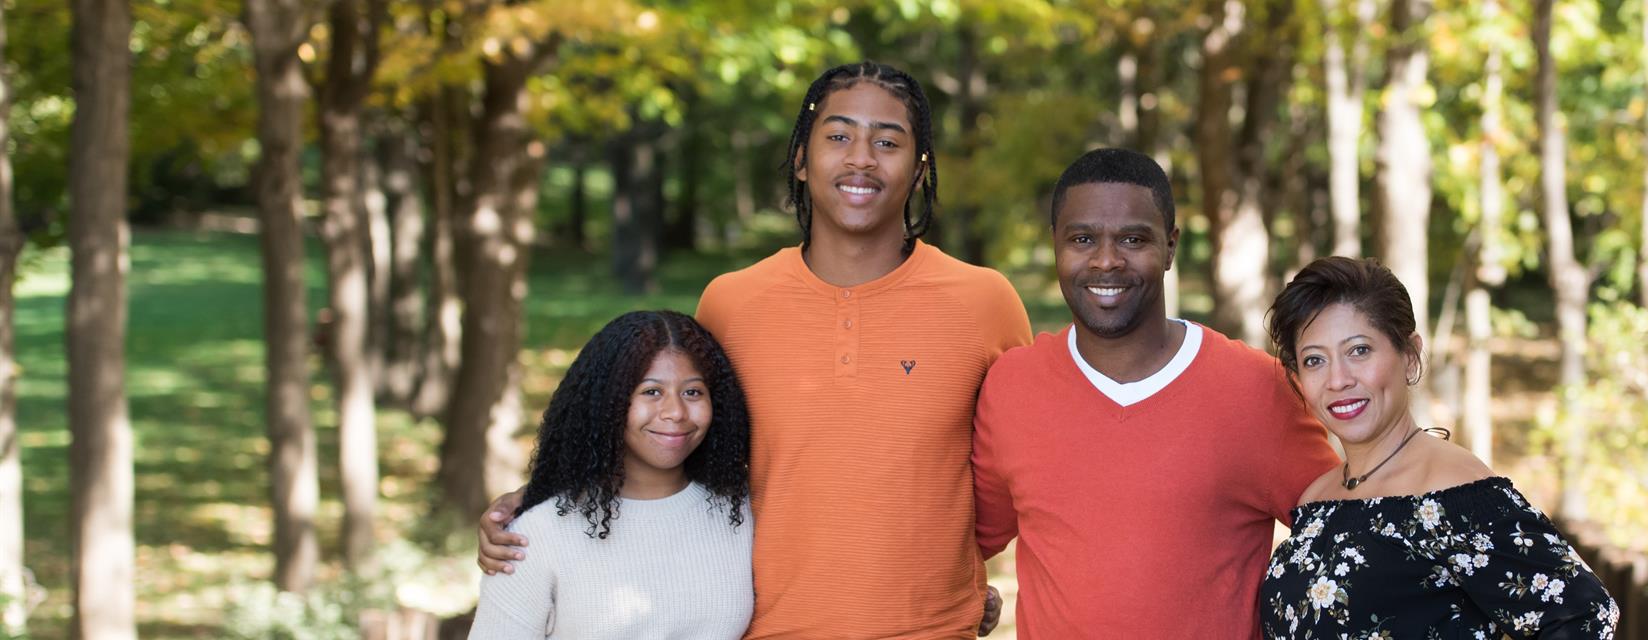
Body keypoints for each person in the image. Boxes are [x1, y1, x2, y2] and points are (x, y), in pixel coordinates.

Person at [478, 62, 1031, 639]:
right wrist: (542, 506)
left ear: (920, 170)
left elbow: (1024, 465)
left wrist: (950, 563)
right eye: (838, 136)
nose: (861, 158)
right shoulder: (732, 303)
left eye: (887, 142)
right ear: (800, 158)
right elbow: (673, 447)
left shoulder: (983, 302)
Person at [970, 148, 1340, 638]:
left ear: (1170, 247)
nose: (1106, 260)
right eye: (1082, 239)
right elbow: (971, 539)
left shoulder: (1257, 390)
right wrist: (971, 593)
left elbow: (1343, 540)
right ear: (1056, 245)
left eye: (1133, 239)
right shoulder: (1012, 386)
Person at [1259, 256, 1618, 638]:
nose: (1338, 379)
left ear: (1409, 356)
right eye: (1315, 360)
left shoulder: (1456, 490)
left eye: (1359, 350)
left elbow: (1586, 616)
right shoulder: (1317, 498)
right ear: (1298, 380)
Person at [468, 310, 752, 639]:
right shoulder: (535, 533)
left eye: (692, 392)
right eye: (651, 392)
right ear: (608, 402)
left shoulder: (742, 512)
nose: (675, 412)